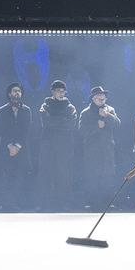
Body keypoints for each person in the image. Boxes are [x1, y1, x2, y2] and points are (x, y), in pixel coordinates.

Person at [77, 86, 121, 207]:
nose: (101, 99)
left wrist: (108, 116)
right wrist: (97, 127)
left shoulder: (110, 110)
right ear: (93, 98)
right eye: (98, 97)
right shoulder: (85, 112)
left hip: (107, 148)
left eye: (103, 97)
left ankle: (108, 202)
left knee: (108, 174)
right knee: (92, 175)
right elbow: (82, 131)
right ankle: (91, 202)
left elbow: (118, 124)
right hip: (92, 149)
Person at [38, 80, 77, 210]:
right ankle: (47, 203)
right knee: (48, 172)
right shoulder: (46, 105)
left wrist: (54, 120)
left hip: (65, 145)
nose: (60, 93)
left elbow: (70, 125)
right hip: (48, 143)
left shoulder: (70, 107)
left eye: (62, 91)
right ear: (52, 92)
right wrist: (61, 121)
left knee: (64, 173)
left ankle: (64, 203)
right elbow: (46, 122)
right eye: (57, 91)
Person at [0, 82, 35, 209]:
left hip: (21, 148)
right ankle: (7, 205)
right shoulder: (2, 110)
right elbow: (2, 129)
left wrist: (17, 146)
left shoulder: (27, 110)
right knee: (7, 176)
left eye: (19, 91)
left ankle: (20, 204)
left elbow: (27, 130)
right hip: (6, 149)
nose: (17, 93)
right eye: (14, 91)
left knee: (21, 176)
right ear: (9, 94)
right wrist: (10, 146)